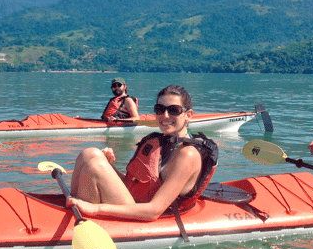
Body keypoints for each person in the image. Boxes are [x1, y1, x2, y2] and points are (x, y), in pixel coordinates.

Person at [67, 85, 217, 221]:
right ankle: (73, 205)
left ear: (188, 115)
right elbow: (141, 186)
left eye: (173, 110)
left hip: (150, 215)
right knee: (89, 154)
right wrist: (109, 168)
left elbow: (154, 210)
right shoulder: (164, 143)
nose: (164, 115)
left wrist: (96, 208)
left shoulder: (188, 154)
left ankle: (82, 215)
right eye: (159, 109)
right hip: (136, 201)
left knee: (95, 166)